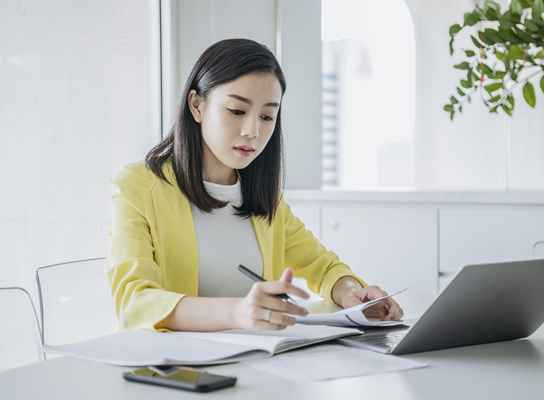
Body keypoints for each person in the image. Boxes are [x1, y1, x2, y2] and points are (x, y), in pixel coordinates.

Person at [108, 38, 403, 332]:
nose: (253, 131)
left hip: (257, 365)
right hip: (178, 371)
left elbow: (323, 266)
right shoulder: (138, 187)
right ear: (197, 105)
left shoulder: (265, 199)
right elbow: (134, 302)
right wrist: (236, 312)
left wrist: (350, 292)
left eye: (266, 116)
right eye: (237, 111)